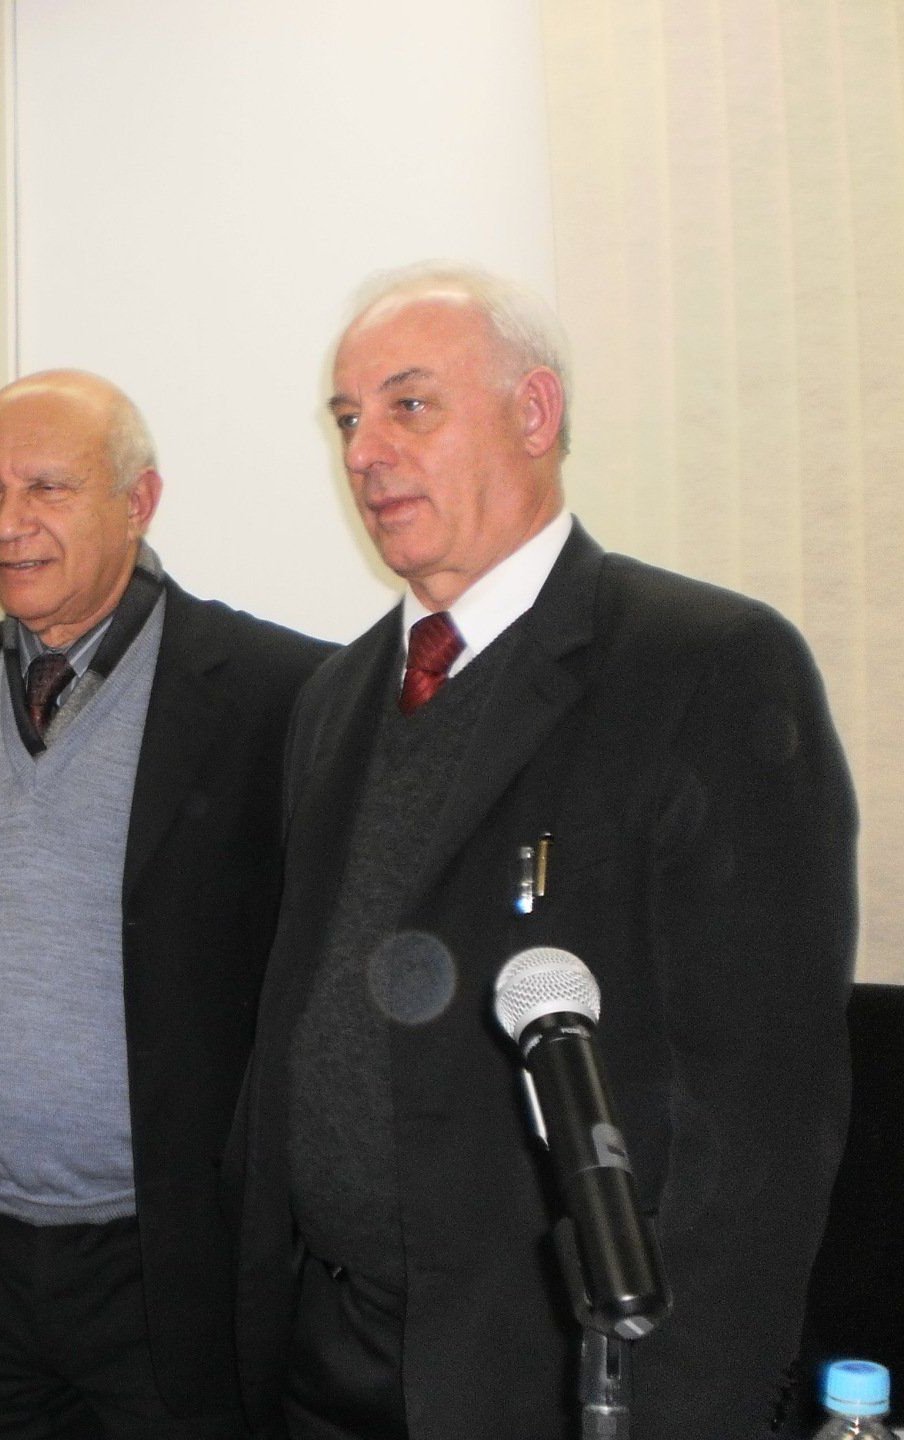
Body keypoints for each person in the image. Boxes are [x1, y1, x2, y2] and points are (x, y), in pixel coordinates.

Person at [228, 263, 858, 1439]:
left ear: (534, 413)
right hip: (327, 1355)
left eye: (410, 405)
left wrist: (683, 1408)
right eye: (348, 418)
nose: (365, 451)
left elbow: (764, 1111)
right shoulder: (334, 697)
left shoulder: (702, 668)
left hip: (553, 1376)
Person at [0, 370, 334, 1438]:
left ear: (140, 503)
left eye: (47, 487)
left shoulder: (278, 694)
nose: (7, 523)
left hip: (167, 1262)